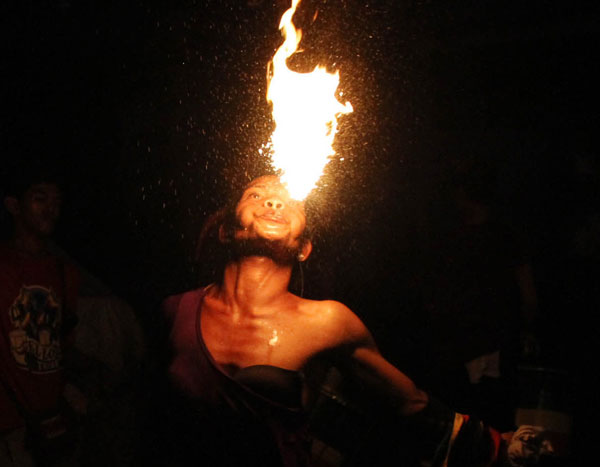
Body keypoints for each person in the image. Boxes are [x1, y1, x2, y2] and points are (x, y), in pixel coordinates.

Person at [158, 174, 551, 467]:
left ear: (304, 247)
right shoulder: (176, 310)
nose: (274, 202)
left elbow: (409, 402)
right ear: (227, 231)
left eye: (290, 201)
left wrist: (499, 446)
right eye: (256, 194)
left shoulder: (327, 321)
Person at [0, 164, 85, 466]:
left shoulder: (65, 274)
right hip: (9, 429)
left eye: (56, 202)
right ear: (13, 206)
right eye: (40, 198)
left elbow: (64, 344)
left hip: (52, 425)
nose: (51, 209)